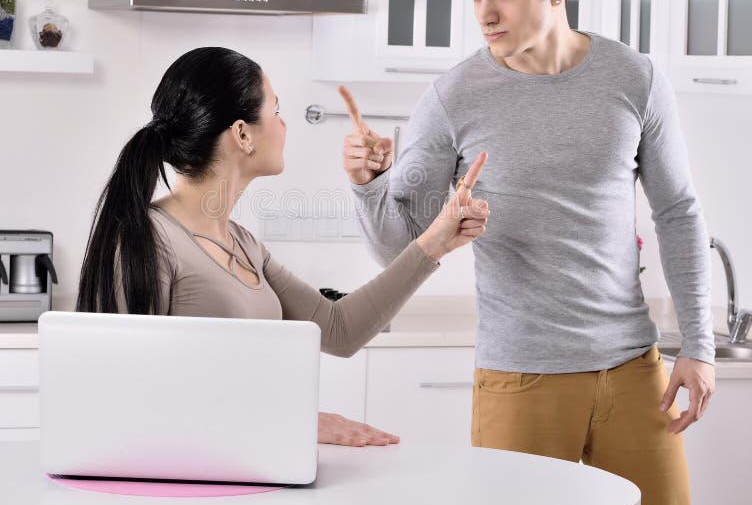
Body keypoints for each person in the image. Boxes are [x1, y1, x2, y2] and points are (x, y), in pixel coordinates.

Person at [340, 0, 714, 505]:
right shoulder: (452, 98)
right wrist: (369, 185)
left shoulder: (635, 79)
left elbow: (677, 211)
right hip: (520, 379)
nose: (485, 14)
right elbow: (395, 247)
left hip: (632, 371)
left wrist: (699, 344)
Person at [76, 46, 489, 448]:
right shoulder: (147, 241)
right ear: (242, 134)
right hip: (180, 499)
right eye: (276, 111)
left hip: (248, 478)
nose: (284, 125)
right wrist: (291, 420)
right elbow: (124, 400)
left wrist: (435, 242)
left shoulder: (243, 244)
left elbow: (340, 330)